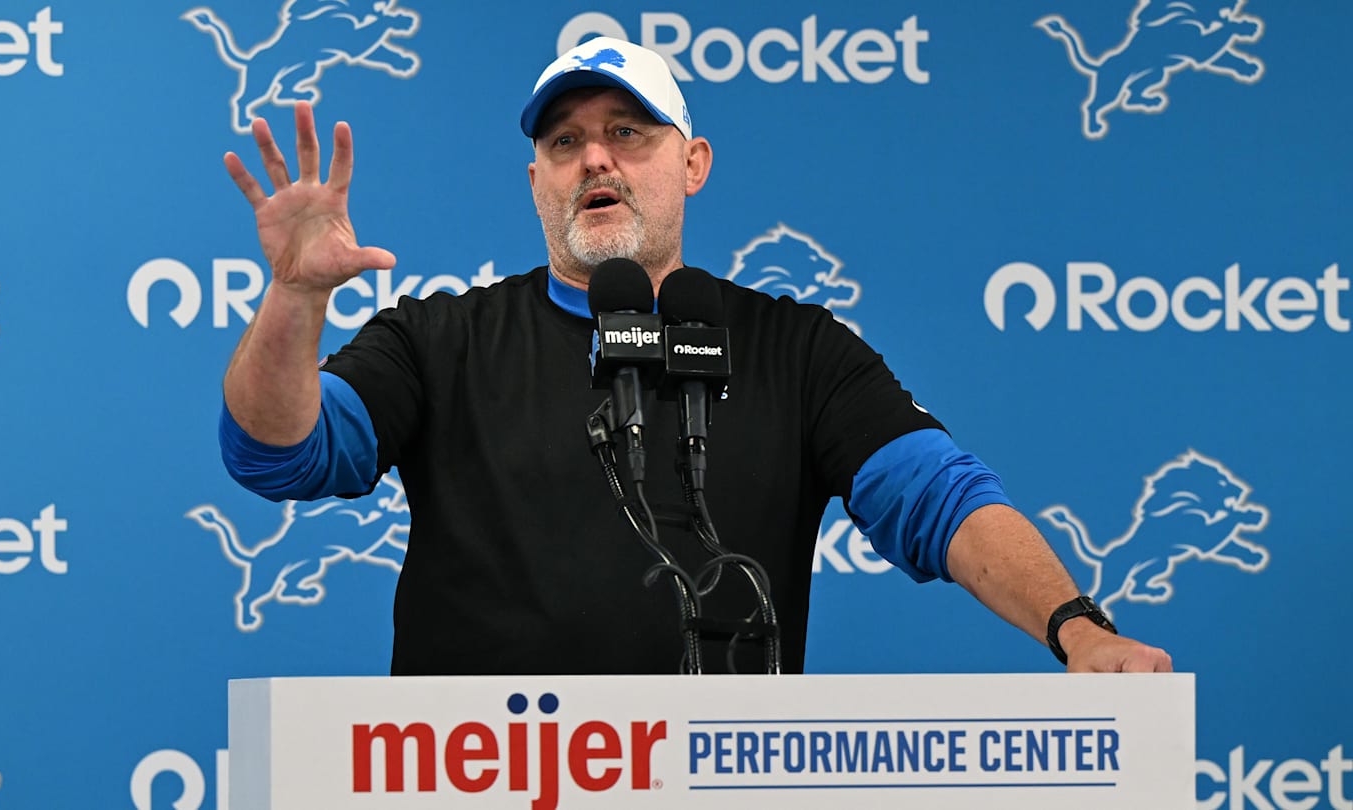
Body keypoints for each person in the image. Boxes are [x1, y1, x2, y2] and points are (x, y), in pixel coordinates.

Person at [217, 36, 1172, 676]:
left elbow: (938, 496)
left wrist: (1074, 627)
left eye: (627, 134)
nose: (595, 159)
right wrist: (296, 300)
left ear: (693, 163)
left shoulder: (794, 348)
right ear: (536, 180)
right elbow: (278, 453)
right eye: (565, 142)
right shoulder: (439, 340)